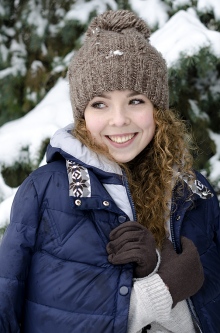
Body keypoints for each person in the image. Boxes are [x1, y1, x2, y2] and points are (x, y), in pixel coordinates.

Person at [0, 9, 219, 333]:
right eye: (100, 104)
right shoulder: (45, 192)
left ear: (156, 107)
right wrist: (159, 290)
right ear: (82, 113)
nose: (119, 120)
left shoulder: (194, 194)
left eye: (135, 101)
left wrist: (167, 284)